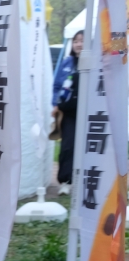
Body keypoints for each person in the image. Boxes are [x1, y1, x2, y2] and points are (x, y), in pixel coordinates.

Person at [52, 30, 83, 196]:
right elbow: (57, 86)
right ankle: (65, 181)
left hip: (87, 112)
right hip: (68, 112)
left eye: (82, 41)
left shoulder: (95, 62)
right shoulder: (67, 62)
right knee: (67, 146)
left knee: (86, 147)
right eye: (76, 41)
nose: (79, 44)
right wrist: (55, 104)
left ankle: (84, 180)